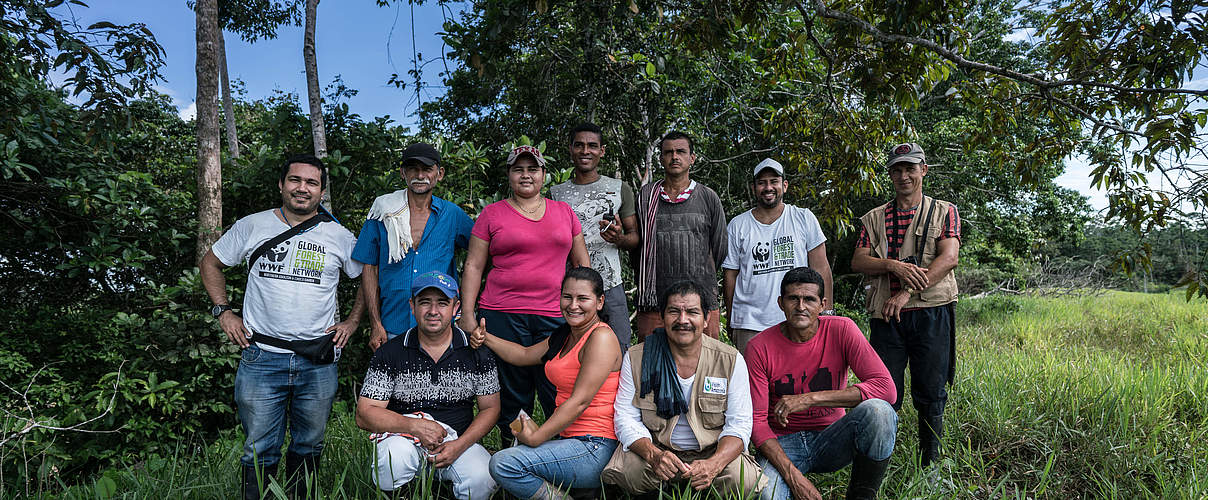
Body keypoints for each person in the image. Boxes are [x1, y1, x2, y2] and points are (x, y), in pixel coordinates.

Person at [200, 154, 365, 500]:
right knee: (259, 448)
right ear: (281, 184)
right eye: (295, 180)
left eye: (311, 183)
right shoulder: (253, 225)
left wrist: (352, 321)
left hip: (318, 359)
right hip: (261, 356)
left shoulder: (339, 235)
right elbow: (211, 263)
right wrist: (224, 312)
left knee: (309, 443)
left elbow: (368, 275)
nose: (302, 188)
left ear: (321, 191)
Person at [458, 145, 590, 442]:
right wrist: (467, 314)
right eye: (519, 169)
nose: (526, 175)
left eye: (533, 169)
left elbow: (582, 265)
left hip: (556, 317)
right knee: (513, 397)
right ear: (509, 175)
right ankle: (512, 459)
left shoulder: (564, 212)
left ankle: (559, 459)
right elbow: (474, 265)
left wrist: (586, 313)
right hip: (502, 314)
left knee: (557, 390)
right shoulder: (492, 214)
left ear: (544, 174)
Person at [602, 280, 766, 497]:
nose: (683, 320)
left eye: (692, 312)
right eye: (674, 312)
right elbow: (625, 417)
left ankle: (700, 484)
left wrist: (714, 464)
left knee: (743, 480)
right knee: (629, 472)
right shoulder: (637, 357)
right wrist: (653, 455)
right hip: (659, 451)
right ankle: (661, 489)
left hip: (711, 453)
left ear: (706, 319)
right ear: (661, 317)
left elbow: (740, 424)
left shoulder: (730, 360)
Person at [470, 267, 623, 500]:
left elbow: (580, 401)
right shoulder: (565, 335)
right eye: (567, 297)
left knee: (503, 464)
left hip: (596, 447)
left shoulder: (600, 337)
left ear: (600, 302)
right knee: (514, 442)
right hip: (571, 441)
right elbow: (523, 355)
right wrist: (484, 336)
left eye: (583, 298)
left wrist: (538, 436)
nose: (573, 305)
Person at [851, 142, 961, 466]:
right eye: (897, 170)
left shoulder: (944, 211)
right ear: (890, 175)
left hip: (931, 312)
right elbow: (858, 260)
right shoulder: (874, 218)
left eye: (910, 168)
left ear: (923, 170)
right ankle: (880, 461)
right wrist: (892, 265)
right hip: (886, 317)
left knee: (931, 391)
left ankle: (931, 464)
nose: (904, 176)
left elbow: (949, 257)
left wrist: (907, 292)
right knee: (885, 390)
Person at [746, 267, 898, 500]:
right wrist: (796, 479)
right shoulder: (759, 347)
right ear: (780, 302)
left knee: (880, 412)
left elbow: (886, 389)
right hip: (783, 442)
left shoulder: (842, 329)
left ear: (822, 304)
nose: (800, 307)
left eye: (809, 299)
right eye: (793, 299)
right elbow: (756, 423)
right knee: (766, 494)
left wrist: (809, 399)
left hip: (832, 436)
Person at [354, 271, 500, 500]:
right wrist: (413, 426)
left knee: (483, 476)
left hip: (456, 442)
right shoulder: (390, 352)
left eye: (442, 303)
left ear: (456, 308)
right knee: (393, 458)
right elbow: (364, 415)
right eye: (424, 303)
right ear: (412, 306)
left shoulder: (477, 352)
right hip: (404, 439)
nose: (433, 311)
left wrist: (459, 446)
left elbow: (491, 408)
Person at [353, 142, 474, 351]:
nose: (420, 174)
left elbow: (480, 256)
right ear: (403, 173)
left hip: (441, 327)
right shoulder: (382, 213)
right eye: (413, 169)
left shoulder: (452, 215)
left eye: (427, 168)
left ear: (440, 173)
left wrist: (469, 311)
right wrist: (375, 324)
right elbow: (369, 269)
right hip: (393, 325)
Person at [723, 158, 833, 353]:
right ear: (754, 187)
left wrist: (826, 314)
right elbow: (730, 276)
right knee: (753, 382)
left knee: (797, 381)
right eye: (762, 182)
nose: (768, 187)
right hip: (750, 323)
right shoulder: (737, 225)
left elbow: (821, 268)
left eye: (774, 181)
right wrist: (733, 318)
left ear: (784, 185)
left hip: (798, 317)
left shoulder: (803, 218)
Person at [550, 122, 639, 350]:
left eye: (592, 145)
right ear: (570, 149)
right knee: (567, 350)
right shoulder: (555, 194)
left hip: (610, 285)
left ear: (602, 150)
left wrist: (618, 238)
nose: (585, 151)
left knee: (619, 349)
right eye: (579, 145)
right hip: (570, 289)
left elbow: (635, 238)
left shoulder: (619, 188)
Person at [634, 131, 727, 339]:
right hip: (655, 301)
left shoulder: (708, 197)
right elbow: (639, 246)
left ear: (692, 158)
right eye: (668, 152)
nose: (674, 157)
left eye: (681, 152)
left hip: (701, 301)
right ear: (661, 159)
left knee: (705, 364)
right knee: (652, 363)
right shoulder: (647, 197)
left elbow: (720, 248)